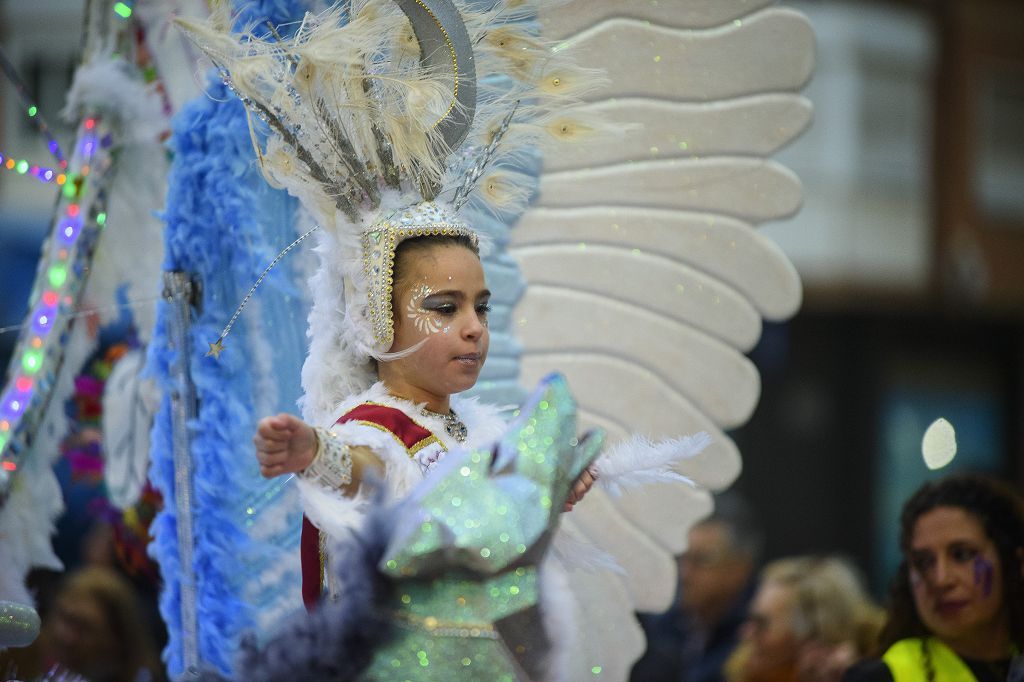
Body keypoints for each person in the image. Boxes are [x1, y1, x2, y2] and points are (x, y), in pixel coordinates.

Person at [844, 473, 1024, 682]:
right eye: (924, 562)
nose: (941, 579)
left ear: (1015, 563)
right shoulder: (881, 677)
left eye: (962, 555)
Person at [632, 492, 763, 682]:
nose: (685, 574)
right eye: (681, 558)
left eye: (702, 561)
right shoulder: (667, 623)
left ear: (741, 568)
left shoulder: (753, 635)